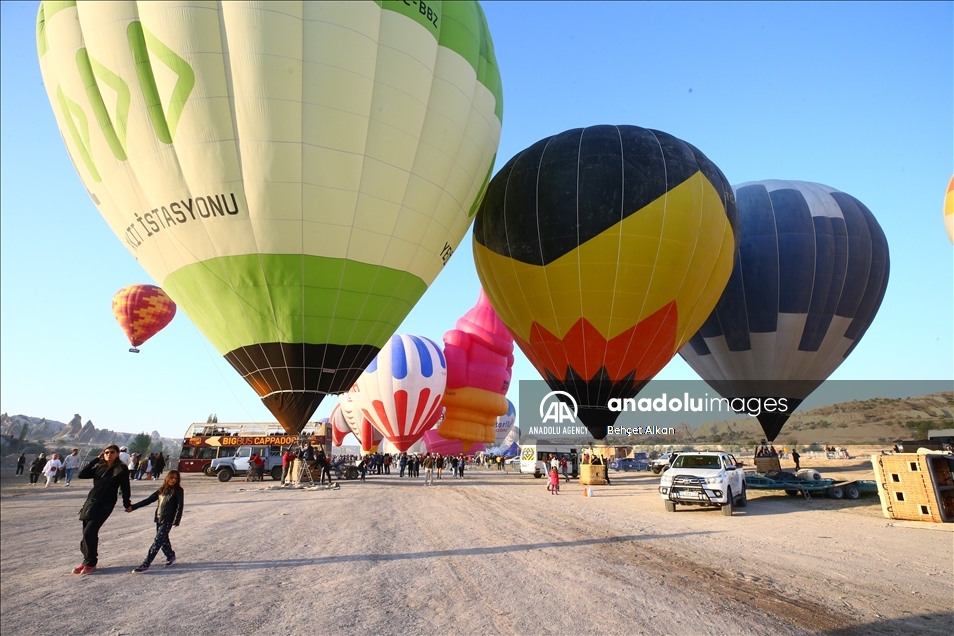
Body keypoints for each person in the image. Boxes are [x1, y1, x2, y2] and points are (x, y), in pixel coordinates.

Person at [73, 445, 132, 575]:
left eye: (112, 452)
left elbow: (125, 487)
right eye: (106, 452)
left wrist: (127, 504)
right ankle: (86, 561)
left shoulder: (121, 469)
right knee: (86, 533)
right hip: (91, 502)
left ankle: (91, 562)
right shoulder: (100, 466)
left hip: (107, 503)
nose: (109, 454)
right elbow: (82, 475)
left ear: (117, 454)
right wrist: (95, 460)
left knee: (90, 531)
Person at [127, 470, 184, 573]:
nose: (173, 480)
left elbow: (180, 506)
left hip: (168, 520)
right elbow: (148, 500)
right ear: (167, 478)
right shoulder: (162, 490)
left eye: (176, 478)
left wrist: (176, 520)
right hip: (159, 518)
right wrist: (133, 507)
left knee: (157, 542)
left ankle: (145, 564)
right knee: (163, 541)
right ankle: (171, 556)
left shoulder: (178, 491)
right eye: (172, 478)